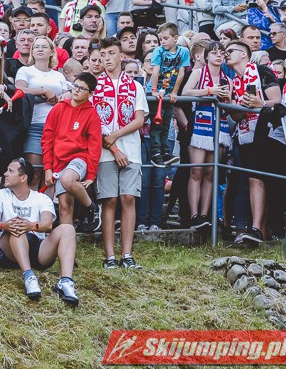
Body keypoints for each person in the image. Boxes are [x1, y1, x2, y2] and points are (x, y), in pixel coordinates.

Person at [0, 158, 80, 305]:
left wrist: (30, 226)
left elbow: (47, 224)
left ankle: (66, 282)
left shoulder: (41, 198)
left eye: (10, 171)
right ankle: (29, 276)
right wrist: (5, 225)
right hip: (7, 251)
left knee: (67, 228)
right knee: (17, 227)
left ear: (23, 178)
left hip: (36, 249)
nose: (5, 174)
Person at [94, 37, 148, 269]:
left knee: (128, 198)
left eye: (111, 54)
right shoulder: (95, 86)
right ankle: (109, 256)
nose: (107, 59)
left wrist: (116, 135)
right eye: (103, 54)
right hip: (105, 152)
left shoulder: (135, 86)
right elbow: (93, 124)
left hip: (131, 149)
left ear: (121, 56)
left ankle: (127, 254)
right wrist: (114, 147)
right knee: (110, 200)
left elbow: (139, 119)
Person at [225, 40, 282, 245]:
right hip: (245, 135)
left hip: (267, 132)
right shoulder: (234, 81)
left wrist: (260, 103)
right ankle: (262, 233)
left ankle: (257, 230)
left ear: (244, 54)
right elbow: (237, 116)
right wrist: (231, 103)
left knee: (256, 179)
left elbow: (278, 100)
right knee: (254, 180)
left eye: (230, 50)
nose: (226, 54)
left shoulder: (261, 71)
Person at [41, 72, 102, 232]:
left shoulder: (92, 115)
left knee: (68, 179)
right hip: (58, 162)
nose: (76, 90)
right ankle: (67, 246)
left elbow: (95, 146)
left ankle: (92, 208)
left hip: (79, 158)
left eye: (82, 89)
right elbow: (47, 139)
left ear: (90, 94)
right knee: (64, 208)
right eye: (75, 86)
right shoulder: (58, 108)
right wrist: (48, 168)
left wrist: (91, 174)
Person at [182, 41, 230, 229]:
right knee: (196, 170)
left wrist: (227, 97)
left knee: (210, 172)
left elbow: (229, 104)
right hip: (200, 125)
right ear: (206, 56)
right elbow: (186, 92)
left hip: (219, 126)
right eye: (214, 52)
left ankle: (204, 214)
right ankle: (194, 215)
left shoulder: (227, 79)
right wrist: (209, 91)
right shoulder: (198, 73)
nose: (219, 56)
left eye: (221, 53)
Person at [14, 36, 69, 182]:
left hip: (58, 127)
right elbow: (19, 89)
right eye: (36, 46)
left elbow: (67, 96)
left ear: (51, 52)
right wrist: (43, 91)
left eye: (44, 47)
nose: (40, 49)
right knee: (34, 173)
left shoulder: (58, 75)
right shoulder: (25, 70)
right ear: (32, 51)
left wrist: (60, 98)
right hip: (35, 125)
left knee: (52, 174)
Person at [148, 23, 190, 167]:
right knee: (156, 123)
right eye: (161, 39)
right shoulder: (158, 51)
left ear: (175, 38)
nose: (163, 42)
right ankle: (155, 152)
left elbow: (181, 73)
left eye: (166, 38)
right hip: (156, 92)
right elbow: (155, 71)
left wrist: (174, 92)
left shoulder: (183, 51)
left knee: (166, 123)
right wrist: (154, 90)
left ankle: (165, 151)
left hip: (169, 92)